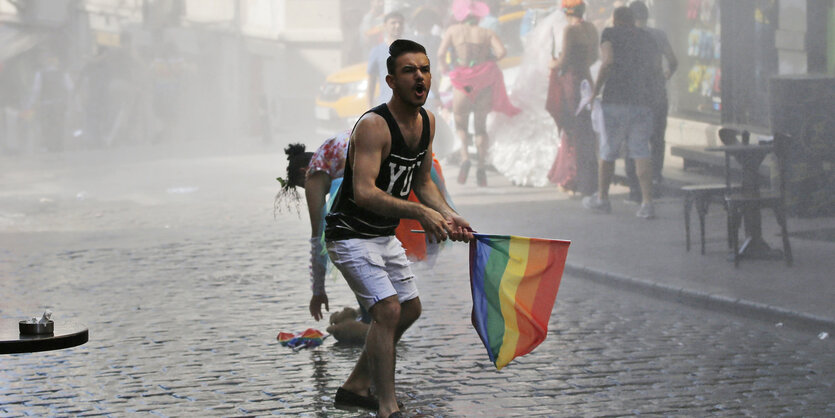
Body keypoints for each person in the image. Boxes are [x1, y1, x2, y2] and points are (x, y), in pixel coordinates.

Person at [324, 39, 473, 418]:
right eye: (409, 71)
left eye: (424, 69)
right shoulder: (374, 125)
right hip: (350, 234)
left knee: (409, 309)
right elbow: (362, 192)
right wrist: (419, 215)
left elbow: (423, 183)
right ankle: (387, 407)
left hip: (382, 235)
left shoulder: (427, 122)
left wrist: (448, 212)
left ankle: (356, 386)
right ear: (391, 81)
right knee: (388, 310)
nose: (419, 77)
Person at [277, 130, 455, 345]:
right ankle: (377, 318)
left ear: (303, 172)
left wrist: (318, 291)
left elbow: (317, 238)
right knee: (375, 250)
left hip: (380, 184)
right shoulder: (334, 150)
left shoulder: (315, 171)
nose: (310, 191)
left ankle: (373, 324)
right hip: (405, 173)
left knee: (352, 245)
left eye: (302, 186)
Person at [583, 6, 660, 218]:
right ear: (633, 20)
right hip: (642, 101)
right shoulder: (647, 37)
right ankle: (647, 203)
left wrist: (596, 91)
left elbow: (607, 61)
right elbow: (656, 66)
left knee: (608, 150)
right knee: (641, 150)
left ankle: (602, 199)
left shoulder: (610, 33)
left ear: (616, 20)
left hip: (615, 100)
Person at [438, 0, 519, 187]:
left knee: (461, 123)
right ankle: (481, 165)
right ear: (478, 16)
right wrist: (488, 58)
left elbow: (441, 54)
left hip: (464, 84)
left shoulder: (453, 31)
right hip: (482, 82)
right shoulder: (486, 33)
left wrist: (445, 70)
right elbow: (502, 52)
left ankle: (465, 156)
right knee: (480, 127)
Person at [623, 0, 678, 203]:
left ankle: (635, 190)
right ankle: (655, 181)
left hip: (635, 97)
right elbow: (673, 61)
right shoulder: (659, 35)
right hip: (657, 95)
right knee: (657, 140)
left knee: (633, 142)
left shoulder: (626, 37)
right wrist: (665, 76)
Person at [546, 0, 599, 197]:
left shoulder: (570, 30)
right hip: (586, 78)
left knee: (571, 128)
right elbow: (593, 57)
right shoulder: (591, 28)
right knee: (586, 129)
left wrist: (553, 63)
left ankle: (572, 178)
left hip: (571, 81)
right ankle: (589, 180)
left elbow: (565, 59)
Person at [26, 52, 73, 152]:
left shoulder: (40, 74)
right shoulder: (63, 73)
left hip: (46, 104)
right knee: (59, 125)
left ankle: (48, 146)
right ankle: (58, 145)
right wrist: (70, 103)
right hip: (59, 104)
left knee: (46, 126)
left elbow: (36, 90)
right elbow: (70, 89)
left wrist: (31, 103)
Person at [368, 12, 405, 108]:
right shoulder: (377, 51)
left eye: (400, 23)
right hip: (387, 105)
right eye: (393, 23)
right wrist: (369, 107)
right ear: (385, 26)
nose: (397, 26)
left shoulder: (411, 50)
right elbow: (371, 81)